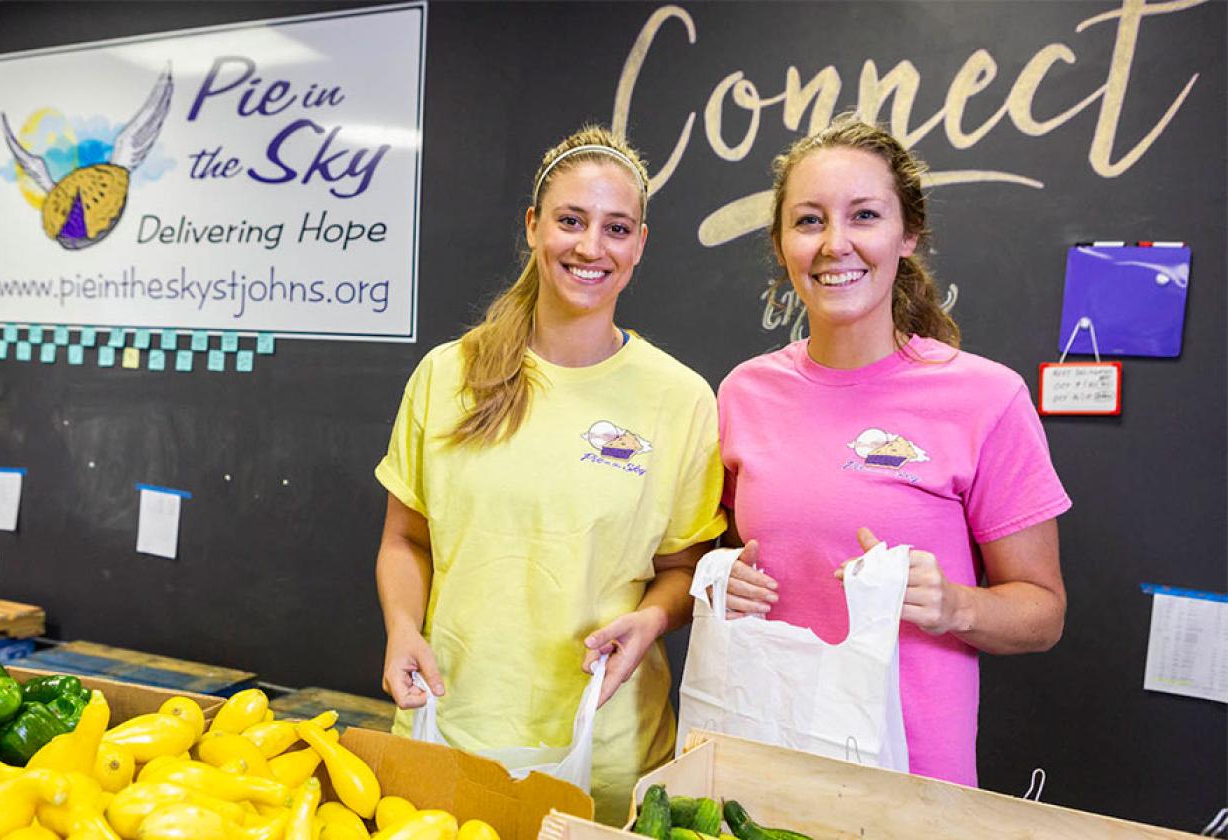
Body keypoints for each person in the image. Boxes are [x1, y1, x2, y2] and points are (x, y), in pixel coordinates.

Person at [374, 126, 726, 821]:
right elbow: (403, 540)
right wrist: (401, 629)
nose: (591, 247)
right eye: (570, 221)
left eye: (616, 228)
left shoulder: (680, 399)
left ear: (640, 245)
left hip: (606, 752)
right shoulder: (448, 375)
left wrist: (652, 620)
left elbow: (687, 567)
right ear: (534, 227)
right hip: (445, 729)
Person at [716, 115, 1070, 787]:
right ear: (782, 242)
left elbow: (1043, 612)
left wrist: (956, 606)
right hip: (766, 758)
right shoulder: (744, 394)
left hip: (913, 779)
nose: (835, 244)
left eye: (865, 216)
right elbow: (728, 549)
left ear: (907, 236)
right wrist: (722, 576)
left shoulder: (985, 398)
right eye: (810, 221)